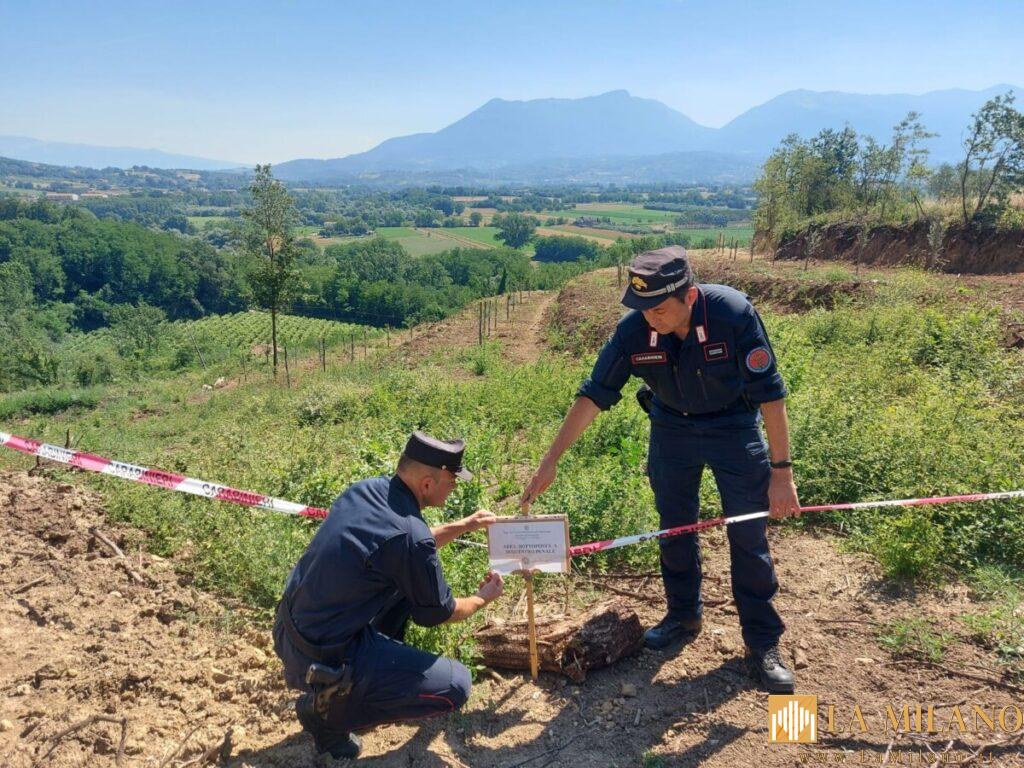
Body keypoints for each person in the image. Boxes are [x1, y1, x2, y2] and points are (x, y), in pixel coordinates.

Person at [521, 245, 801, 693]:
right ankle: (683, 615)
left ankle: (763, 642)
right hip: (672, 428)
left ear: (689, 297)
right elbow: (593, 395)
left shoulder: (732, 314)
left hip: (733, 425)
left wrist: (781, 473)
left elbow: (771, 395)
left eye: (658, 307)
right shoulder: (633, 332)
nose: (649, 317)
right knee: (674, 527)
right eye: (641, 307)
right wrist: (550, 460)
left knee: (747, 534)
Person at [273, 431, 504, 759]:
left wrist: (464, 524)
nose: (455, 487)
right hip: (320, 657)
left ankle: (359, 677)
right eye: (452, 481)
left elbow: (400, 546)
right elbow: (442, 611)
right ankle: (327, 712)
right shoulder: (411, 538)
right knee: (456, 686)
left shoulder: (366, 490)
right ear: (426, 484)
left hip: (289, 629)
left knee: (399, 584)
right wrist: (483, 598)